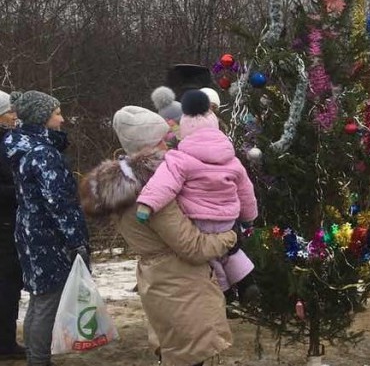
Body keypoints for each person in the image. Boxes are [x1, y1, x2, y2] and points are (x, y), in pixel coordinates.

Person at [80, 105, 236, 366]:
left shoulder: (123, 186)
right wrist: (230, 237)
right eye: (166, 138)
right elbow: (192, 247)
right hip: (178, 282)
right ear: (152, 144)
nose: (172, 142)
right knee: (187, 355)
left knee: (172, 350)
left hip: (158, 279)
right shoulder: (153, 193)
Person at [137, 90, 258, 304]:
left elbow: (164, 183)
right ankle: (248, 283)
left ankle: (223, 291)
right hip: (227, 220)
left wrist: (148, 204)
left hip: (199, 219)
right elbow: (245, 191)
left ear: (185, 131)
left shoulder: (180, 159)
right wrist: (249, 216)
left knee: (210, 257)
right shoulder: (232, 161)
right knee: (231, 251)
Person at [3, 91, 90, 366]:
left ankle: (35, 356)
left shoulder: (23, 146)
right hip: (47, 237)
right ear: (42, 119)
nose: (62, 118)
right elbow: (58, 202)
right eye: (56, 114)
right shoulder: (41, 153)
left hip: (30, 231)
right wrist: (77, 241)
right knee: (47, 302)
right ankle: (39, 361)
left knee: (40, 300)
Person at [0, 91, 25, 360]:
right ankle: (4, 342)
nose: (14, 116)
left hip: (9, 222)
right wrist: (21, 190)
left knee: (9, 285)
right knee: (6, 285)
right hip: (4, 224)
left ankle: (6, 338)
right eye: (9, 112)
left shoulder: (8, 141)